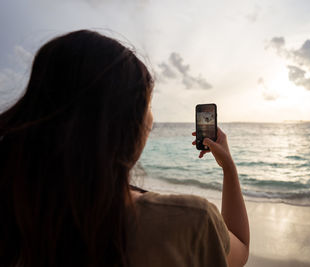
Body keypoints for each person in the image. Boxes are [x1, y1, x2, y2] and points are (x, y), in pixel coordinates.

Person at [0, 30, 249, 267]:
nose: (152, 118)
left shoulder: (19, 214)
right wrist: (228, 167)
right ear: (127, 123)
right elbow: (241, 248)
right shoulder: (190, 221)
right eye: (149, 104)